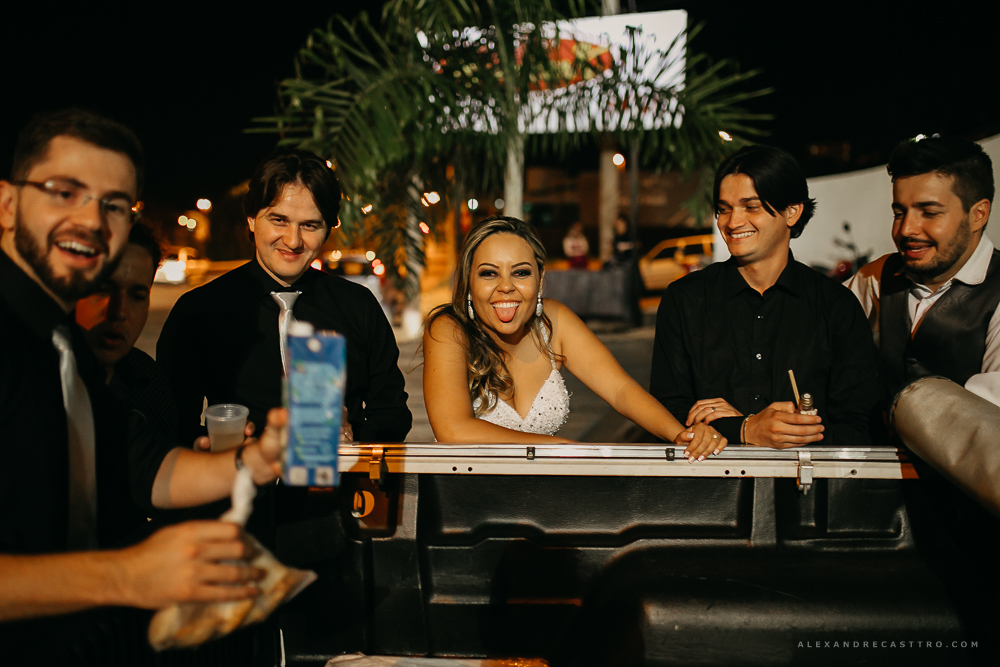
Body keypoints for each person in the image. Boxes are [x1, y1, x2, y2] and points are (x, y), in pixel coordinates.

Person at [0, 110, 286, 657]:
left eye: (113, 204)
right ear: (8, 205)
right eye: (64, 191)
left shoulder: (62, 341)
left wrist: (261, 457)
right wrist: (129, 574)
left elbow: (144, 463)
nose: (91, 220)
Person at [157, 149, 411, 446]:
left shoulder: (359, 306)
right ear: (251, 218)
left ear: (328, 228)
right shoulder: (199, 310)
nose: (293, 241)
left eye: (310, 225)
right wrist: (225, 445)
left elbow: (393, 414)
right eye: (279, 221)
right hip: (237, 483)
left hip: (340, 486)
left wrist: (355, 436)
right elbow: (170, 423)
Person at [650, 145, 882, 460]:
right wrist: (745, 428)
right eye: (724, 208)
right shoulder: (685, 299)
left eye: (751, 206)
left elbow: (859, 428)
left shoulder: (836, 306)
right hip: (708, 494)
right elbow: (664, 412)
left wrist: (774, 431)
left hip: (805, 496)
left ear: (792, 211)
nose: (732, 222)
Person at [422, 216, 725, 451]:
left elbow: (621, 391)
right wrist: (558, 448)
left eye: (521, 272)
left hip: (542, 500)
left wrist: (681, 435)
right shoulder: (448, 330)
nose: (505, 286)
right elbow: (453, 429)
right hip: (465, 503)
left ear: (539, 281)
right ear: (469, 283)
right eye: (489, 273)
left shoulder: (555, 321)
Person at [846, 136, 998, 406]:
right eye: (899, 213)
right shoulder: (877, 277)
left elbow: (989, 416)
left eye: (929, 213)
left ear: (978, 215)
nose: (906, 230)